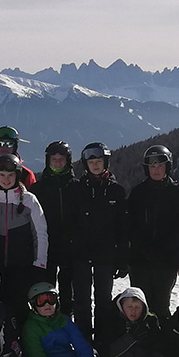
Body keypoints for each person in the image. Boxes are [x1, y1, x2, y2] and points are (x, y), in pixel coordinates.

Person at [64, 142, 125, 342]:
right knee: (81, 301)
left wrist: (122, 257)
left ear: (105, 162)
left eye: (99, 161)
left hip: (106, 255)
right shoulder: (77, 188)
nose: (96, 165)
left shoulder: (116, 191)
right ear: (85, 164)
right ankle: (83, 342)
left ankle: (102, 340)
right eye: (92, 162)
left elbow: (122, 227)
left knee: (103, 301)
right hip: (81, 254)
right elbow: (69, 222)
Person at [126, 145, 179, 319]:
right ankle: (141, 343)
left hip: (166, 261)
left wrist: (171, 252)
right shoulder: (138, 193)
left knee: (161, 305)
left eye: (160, 166)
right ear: (146, 168)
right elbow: (129, 225)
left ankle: (162, 343)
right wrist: (141, 248)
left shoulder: (178, 194)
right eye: (152, 166)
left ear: (167, 167)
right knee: (140, 305)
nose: (156, 170)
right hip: (140, 261)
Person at [0, 153, 48, 315]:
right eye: (2, 175)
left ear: (17, 175)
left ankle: (19, 339)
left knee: (18, 306)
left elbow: (40, 233)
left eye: (11, 175)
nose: (6, 179)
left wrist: (39, 263)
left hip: (22, 265)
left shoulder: (29, 200)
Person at [32, 141, 74, 312]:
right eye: (53, 159)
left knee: (68, 293)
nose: (57, 162)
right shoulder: (38, 188)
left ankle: (67, 324)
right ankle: (47, 327)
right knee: (46, 292)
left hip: (70, 248)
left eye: (61, 159)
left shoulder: (76, 187)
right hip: (46, 248)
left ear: (68, 161)